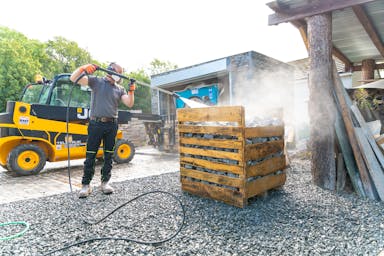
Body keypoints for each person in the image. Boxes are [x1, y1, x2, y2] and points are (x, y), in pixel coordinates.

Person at [70, 62, 135, 198]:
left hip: (111, 125)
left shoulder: (120, 89)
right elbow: (73, 78)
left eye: (120, 73)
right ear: (110, 71)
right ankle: (86, 185)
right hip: (96, 124)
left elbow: (129, 103)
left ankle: (105, 183)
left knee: (108, 156)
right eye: (118, 72)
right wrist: (83, 68)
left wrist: (131, 90)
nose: (119, 75)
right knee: (91, 155)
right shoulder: (96, 81)